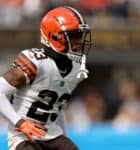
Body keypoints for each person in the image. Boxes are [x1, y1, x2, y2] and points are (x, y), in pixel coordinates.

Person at [0, 6, 92, 150]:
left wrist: (64, 138)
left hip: (51, 134)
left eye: (80, 36)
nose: (79, 41)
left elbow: (57, 108)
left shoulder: (75, 69)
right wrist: (20, 123)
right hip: (24, 136)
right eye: (73, 36)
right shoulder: (35, 62)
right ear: (54, 36)